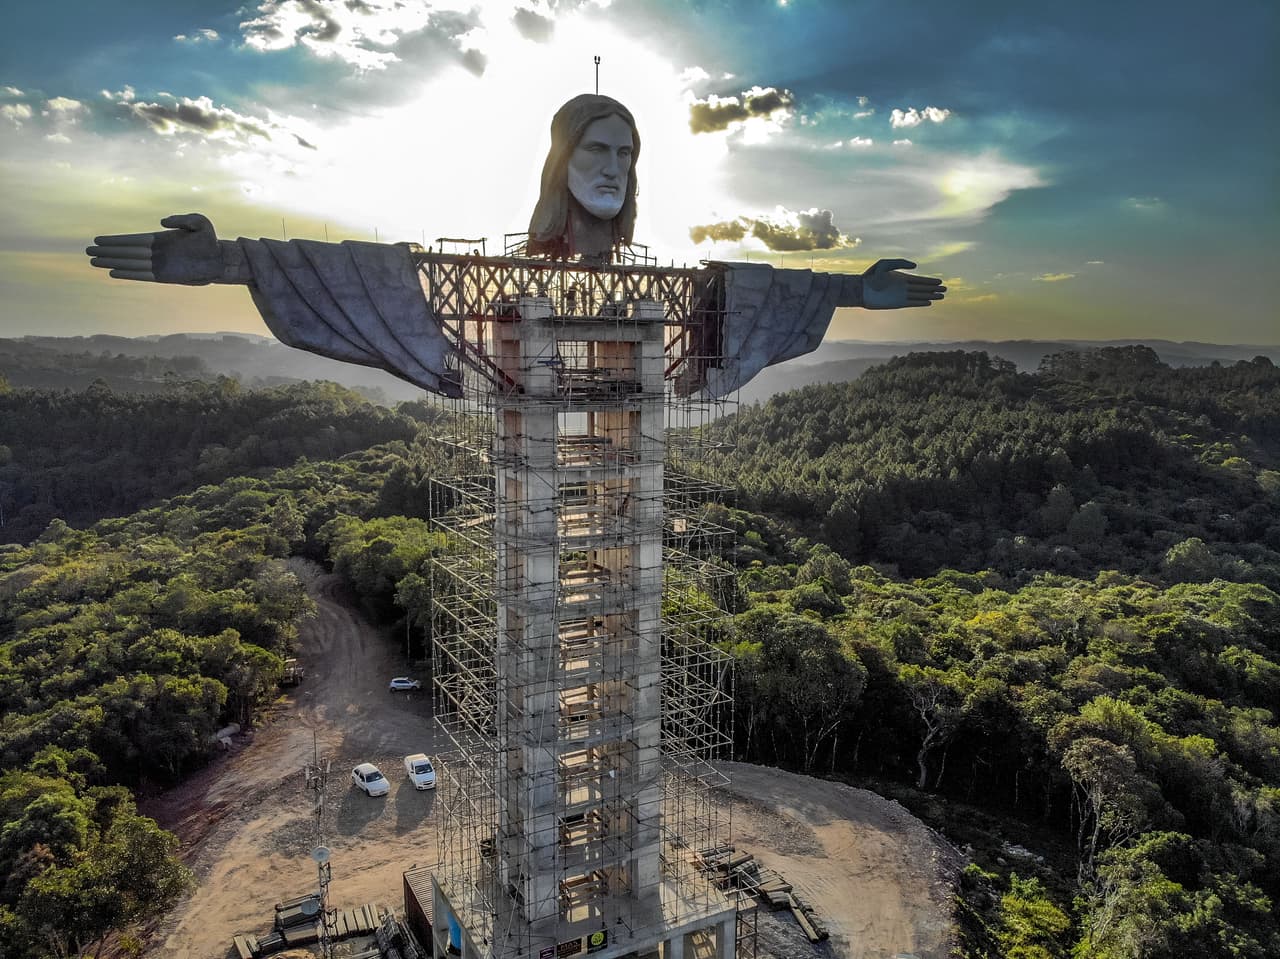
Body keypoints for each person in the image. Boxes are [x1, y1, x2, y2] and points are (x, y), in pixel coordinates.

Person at [85, 93, 945, 397]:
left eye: (626, 152)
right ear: (561, 161)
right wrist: (228, 259)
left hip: (628, 397)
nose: (612, 166)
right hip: (522, 392)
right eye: (595, 149)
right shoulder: (489, 275)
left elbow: (758, 289)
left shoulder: (687, 283)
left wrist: (852, 289)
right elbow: (369, 275)